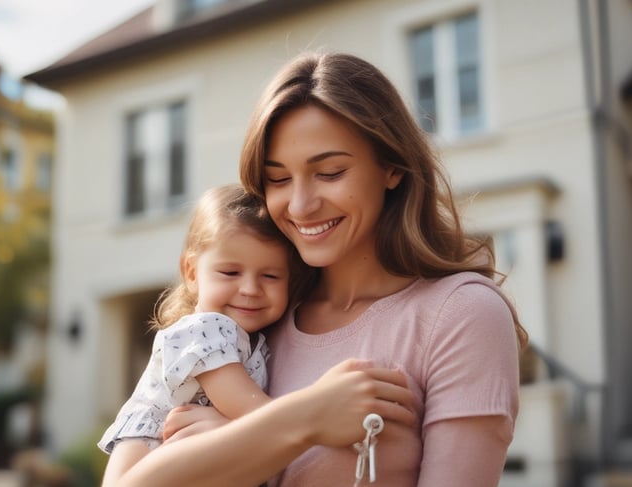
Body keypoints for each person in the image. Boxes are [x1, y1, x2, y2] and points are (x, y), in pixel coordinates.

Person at [102, 51, 527, 487]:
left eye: (329, 172)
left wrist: (237, 448)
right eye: (279, 180)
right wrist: (301, 421)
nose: (301, 205)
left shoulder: (459, 315)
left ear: (393, 168)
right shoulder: (250, 318)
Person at [99, 184, 310, 476]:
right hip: (145, 462)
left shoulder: (253, 341)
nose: (250, 289)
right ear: (192, 272)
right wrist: (317, 422)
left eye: (271, 276)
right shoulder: (204, 330)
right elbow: (250, 409)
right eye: (230, 272)